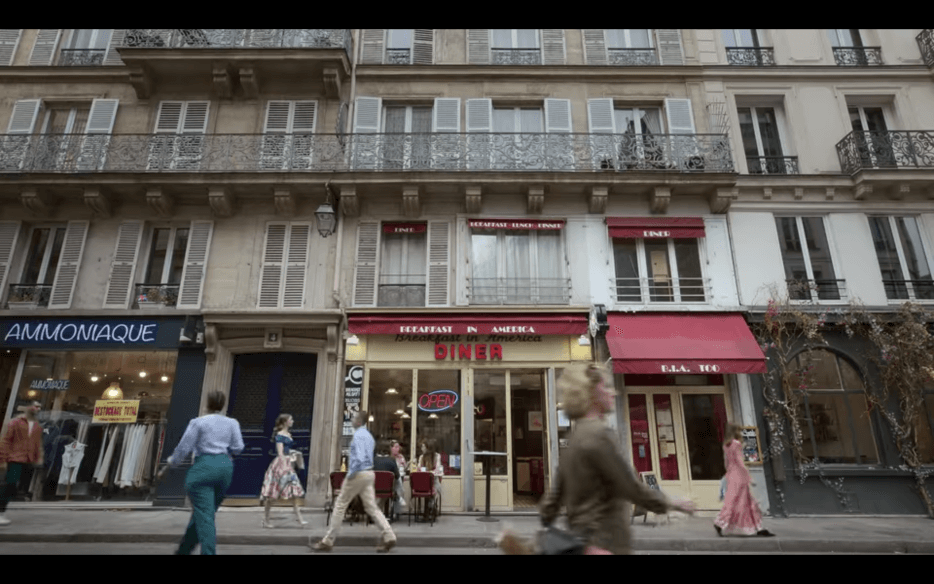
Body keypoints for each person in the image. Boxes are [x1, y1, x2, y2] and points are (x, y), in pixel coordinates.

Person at [500, 363, 697, 555]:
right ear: (591, 391)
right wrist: (672, 503)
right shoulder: (600, 435)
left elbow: (553, 499)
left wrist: (545, 523)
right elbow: (630, 486)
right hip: (604, 542)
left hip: (582, 541)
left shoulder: (574, 438)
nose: (613, 392)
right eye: (606, 386)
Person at [156, 391, 244, 555]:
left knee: (205, 516)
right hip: (225, 467)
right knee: (204, 513)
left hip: (203, 467)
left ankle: (208, 552)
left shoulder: (198, 422)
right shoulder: (232, 423)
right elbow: (238, 447)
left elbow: (183, 448)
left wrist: (168, 466)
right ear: (223, 404)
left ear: (207, 403)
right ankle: (183, 551)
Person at [311, 410, 396, 553]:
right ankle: (389, 535)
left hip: (358, 473)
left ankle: (328, 541)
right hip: (369, 473)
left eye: (353, 418)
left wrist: (351, 474)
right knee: (372, 508)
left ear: (358, 421)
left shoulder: (358, 435)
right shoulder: (369, 436)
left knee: (340, 504)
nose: (351, 420)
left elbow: (360, 458)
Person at [714, 423, 774, 537]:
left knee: (740, 501)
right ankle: (722, 523)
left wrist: (728, 473)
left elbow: (726, 462)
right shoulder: (736, 444)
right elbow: (740, 462)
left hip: (731, 474)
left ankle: (757, 527)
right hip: (739, 475)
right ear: (736, 431)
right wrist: (748, 476)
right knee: (741, 501)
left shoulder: (726, 445)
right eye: (739, 430)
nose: (741, 432)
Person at [0, 401, 44, 526]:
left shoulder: (36, 426)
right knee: (10, 484)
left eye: (39, 407)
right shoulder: (15, 422)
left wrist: (38, 458)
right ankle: (1, 511)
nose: (37, 409)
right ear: (28, 407)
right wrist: (2, 458)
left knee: (19, 488)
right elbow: (6, 441)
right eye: (35, 406)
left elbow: (37, 444)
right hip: (15, 458)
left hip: (28, 460)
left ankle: (3, 509)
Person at [260, 413, 307, 528]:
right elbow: (280, 452)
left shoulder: (288, 434)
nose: (293, 421)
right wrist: (284, 466)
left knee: (293, 492)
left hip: (288, 463)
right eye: (291, 420)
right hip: (281, 465)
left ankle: (300, 519)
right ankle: (266, 519)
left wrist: (293, 454)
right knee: (273, 494)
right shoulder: (280, 435)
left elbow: (287, 450)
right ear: (285, 422)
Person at [373, 444, 405, 521]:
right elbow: (397, 475)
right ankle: (399, 496)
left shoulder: (373, 460)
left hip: (374, 489)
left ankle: (376, 513)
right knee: (398, 481)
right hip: (388, 489)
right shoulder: (391, 460)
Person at [417, 438, 443, 515]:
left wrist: (427, 472)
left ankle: (430, 508)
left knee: (433, 490)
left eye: (423, 446)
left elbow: (437, 470)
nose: (421, 448)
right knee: (427, 490)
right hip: (423, 483)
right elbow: (419, 469)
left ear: (428, 448)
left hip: (434, 482)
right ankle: (429, 509)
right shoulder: (421, 457)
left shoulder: (437, 456)